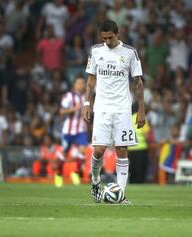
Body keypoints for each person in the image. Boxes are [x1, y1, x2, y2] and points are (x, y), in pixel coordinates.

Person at [83, 19, 146, 204]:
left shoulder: (130, 53)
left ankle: (120, 195)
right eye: (104, 38)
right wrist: (87, 103)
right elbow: (90, 80)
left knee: (121, 150)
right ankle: (95, 181)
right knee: (99, 149)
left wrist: (141, 110)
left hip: (123, 109)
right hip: (102, 108)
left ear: (118, 34)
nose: (107, 41)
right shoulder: (96, 51)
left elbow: (138, 83)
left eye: (110, 37)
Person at [58, 76, 88, 187]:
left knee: (83, 150)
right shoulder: (69, 96)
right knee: (64, 154)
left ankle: (75, 172)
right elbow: (61, 111)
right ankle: (58, 174)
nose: (81, 85)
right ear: (74, 85)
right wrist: (73, 109)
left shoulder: (86, 97)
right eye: (79, 83)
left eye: (82, 83)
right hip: (68, 131)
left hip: (81, 130)